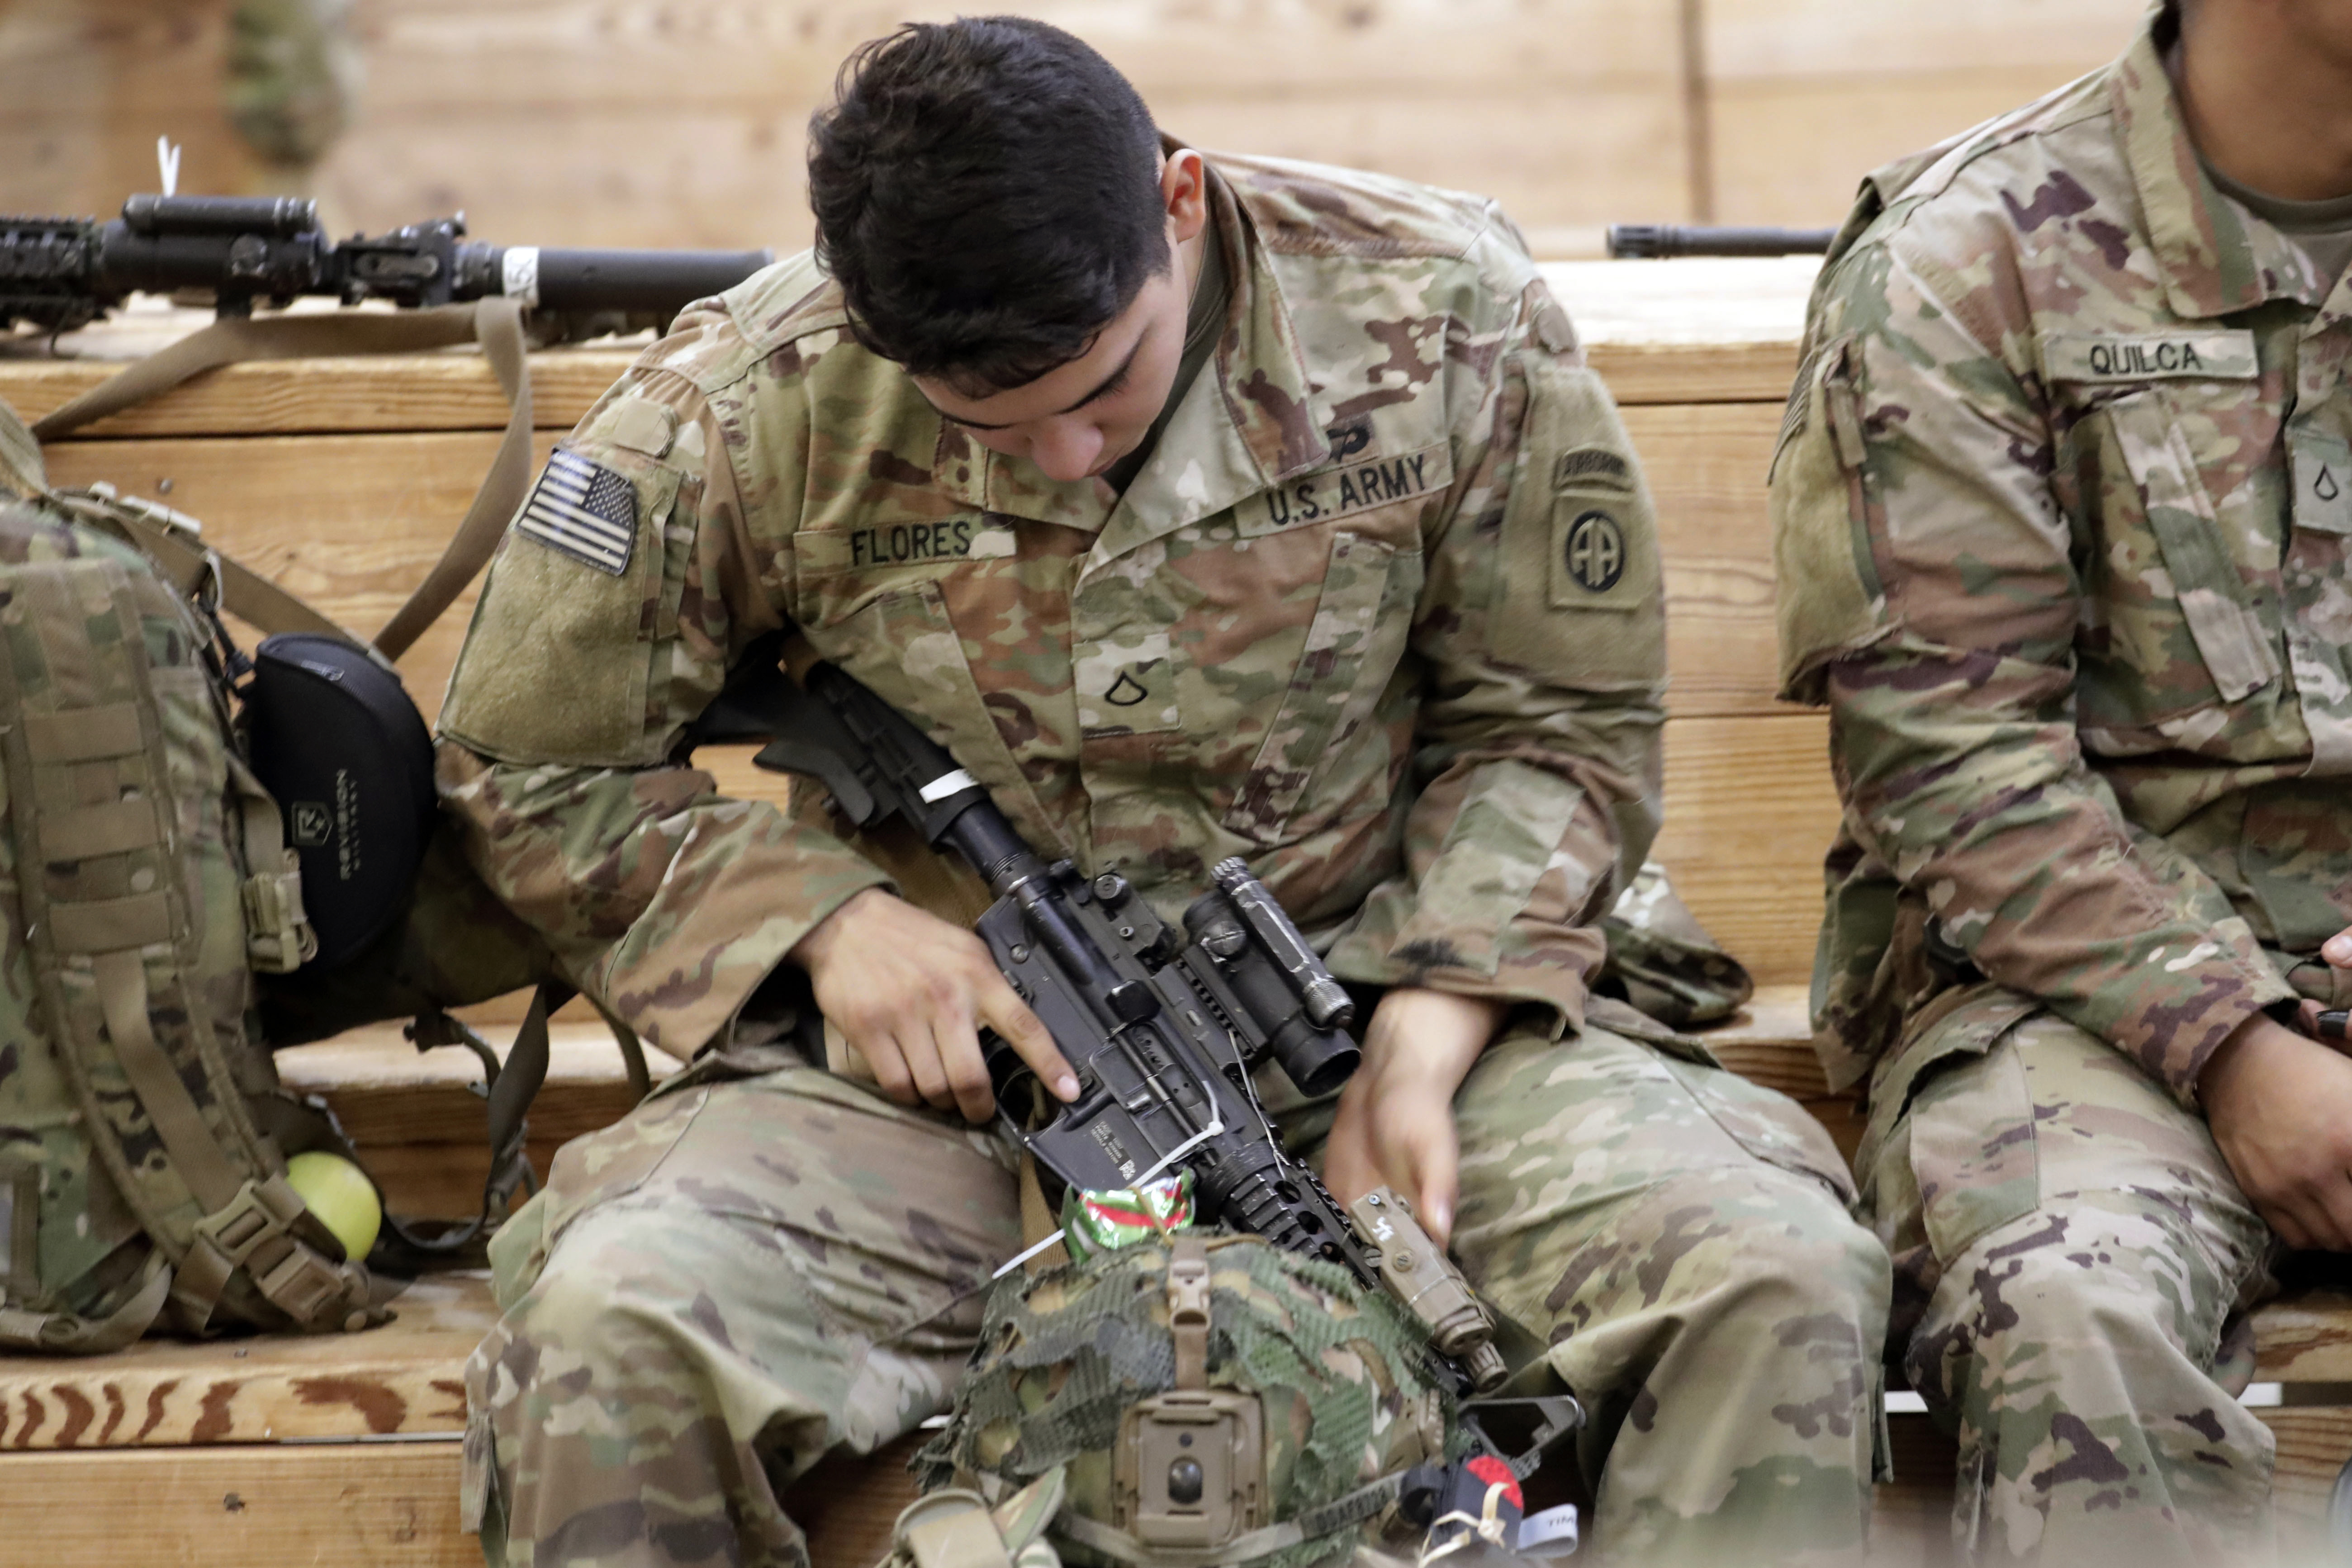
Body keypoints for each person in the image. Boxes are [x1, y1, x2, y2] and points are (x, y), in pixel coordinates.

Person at [442, 18, 1889, 1565]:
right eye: (990, 428)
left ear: (1181, 202)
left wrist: (1433, 1016)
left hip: (1366, 1025)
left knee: (1772, 1269)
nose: (1065, 458)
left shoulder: (1438, 308)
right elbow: (526, 754)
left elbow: (1564, 715)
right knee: (609, 1325)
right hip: (943, 1094)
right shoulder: (755, 394)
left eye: (1106, 387)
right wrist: (820, 924)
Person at [1773, 0, 2352, 1559]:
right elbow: (1950, 758)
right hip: (2082, 1005)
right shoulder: (1975, 256)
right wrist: (2237, 1041)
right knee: (2070, 1299)